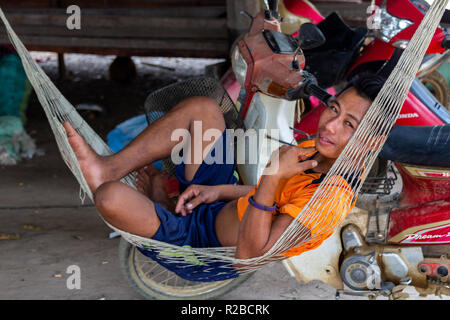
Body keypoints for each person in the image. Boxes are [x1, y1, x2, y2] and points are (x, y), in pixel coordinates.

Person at [62, 74, 385, 278]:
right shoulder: (319, 149)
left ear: (373, 141)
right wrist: (216, 192)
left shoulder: (328, 201)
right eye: (333, 108)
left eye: (349, 124)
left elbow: (248, 260)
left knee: (110, 196)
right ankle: (111, 168)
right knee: (203, 109)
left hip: (201, 250)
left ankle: (160, 205)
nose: (330, 125)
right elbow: (264, 193)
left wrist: (272, 177)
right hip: (214, 208)